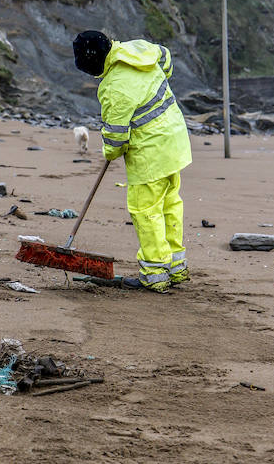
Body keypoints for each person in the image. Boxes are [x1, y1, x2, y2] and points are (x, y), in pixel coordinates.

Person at [72, 30, 192, 294]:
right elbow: (166, 57)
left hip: (151, 153)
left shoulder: (114, 87)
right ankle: (176, 267)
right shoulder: (138, 49)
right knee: (170, 204)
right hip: (176, 140)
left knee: (146, 211)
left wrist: (109, 152)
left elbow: (115, 139)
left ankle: (154, 273)